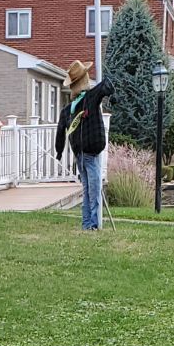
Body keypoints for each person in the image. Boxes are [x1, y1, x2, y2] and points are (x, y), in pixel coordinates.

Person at [54, 59, 114, 231]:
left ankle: (87, 224)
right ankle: (92, 224)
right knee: (94, 190)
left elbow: (60, 133)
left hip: (79, 154)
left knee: (88, 190)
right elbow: (106, 87)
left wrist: (59, 152)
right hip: (90, 153)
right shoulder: (89, 99)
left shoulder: (68, 110)